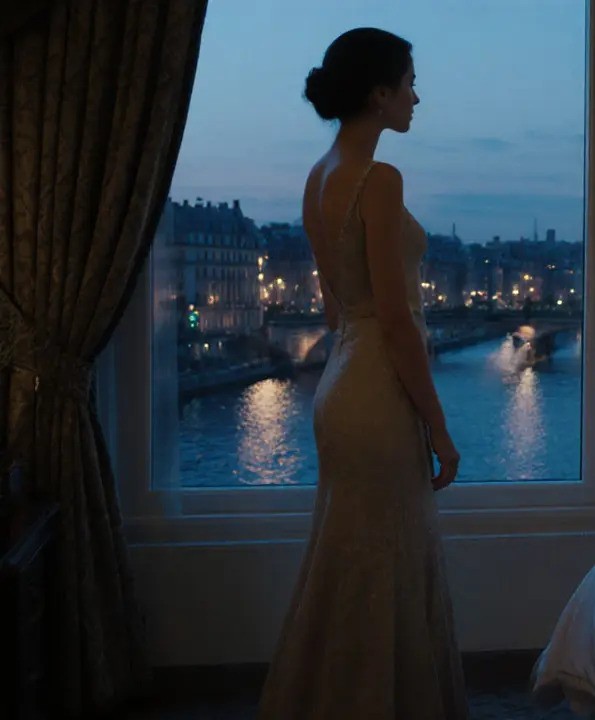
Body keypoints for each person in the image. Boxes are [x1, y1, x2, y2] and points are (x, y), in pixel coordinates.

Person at [257, 28, 468, 720]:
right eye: (409, 81)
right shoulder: (379, 180)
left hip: (340, 383)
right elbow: (398, 322)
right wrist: (438, 427)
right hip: (377, 392)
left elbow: (337, 304)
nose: (416, 96)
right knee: (389, 565)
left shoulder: (319, 177)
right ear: (379, 94)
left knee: (345, 563)